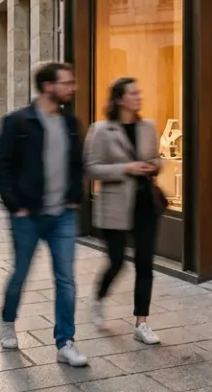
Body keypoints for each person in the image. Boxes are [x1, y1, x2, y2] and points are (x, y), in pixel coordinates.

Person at [0, 62, 87, 367]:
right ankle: (7, 321)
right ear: (49, 86)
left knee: (66, 279)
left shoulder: (70, 123)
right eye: (67, 83)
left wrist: (74, 197)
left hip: (62, 215)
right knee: (20, 274)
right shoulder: (18, 122)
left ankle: (65, 342)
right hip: (27, 215)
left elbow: (76, 164)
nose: (73, 88)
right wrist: (15, 206)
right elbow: (0, 167)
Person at [84, 77, 163, 346]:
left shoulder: (148, 127)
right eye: (133, 93)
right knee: (117, 261)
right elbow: (91, 168)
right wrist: (125, 169)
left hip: (144, 205)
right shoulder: (101, 130)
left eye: (140, 92)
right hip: (114, 206)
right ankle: (98, 297)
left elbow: (156, 159)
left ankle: (142, 323)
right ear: (119, 99)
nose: (139, 96)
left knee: (145, 265)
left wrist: (153, 166)